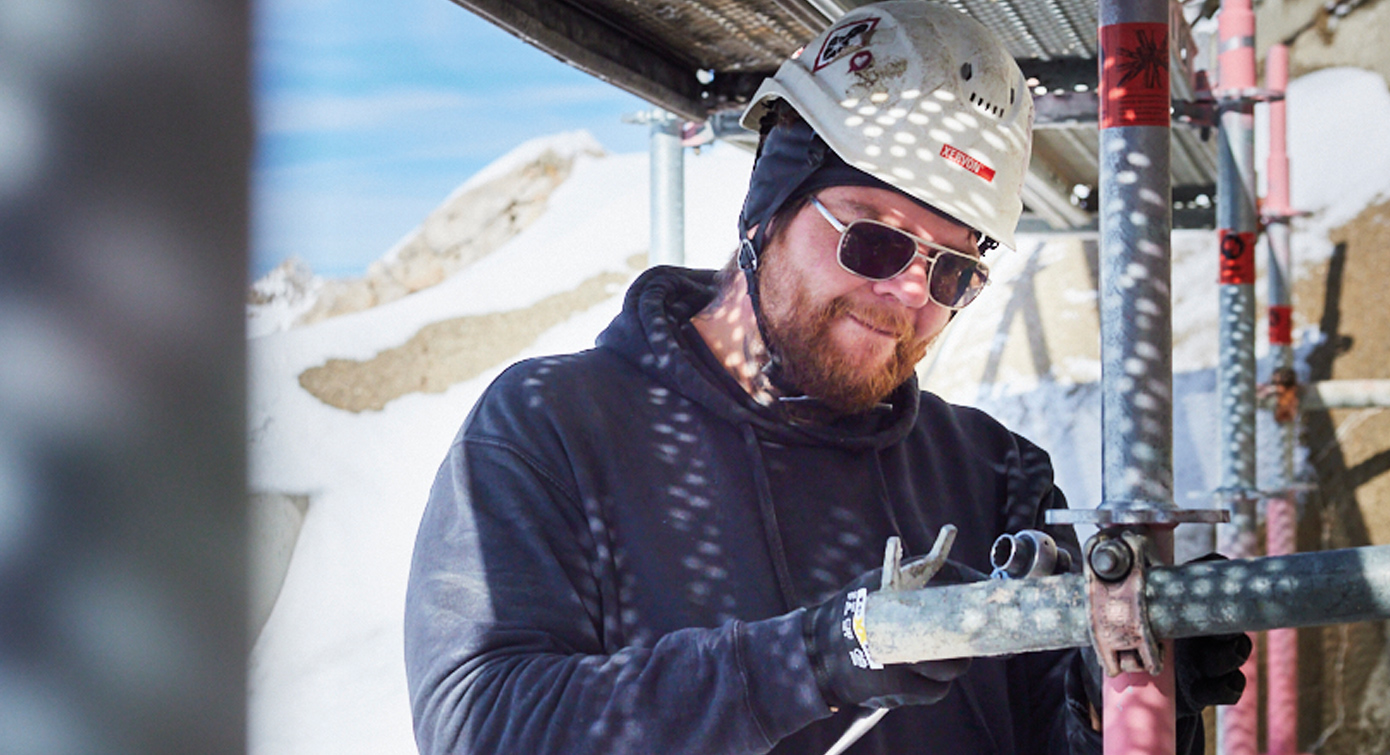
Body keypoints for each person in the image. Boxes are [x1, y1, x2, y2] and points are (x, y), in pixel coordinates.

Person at [403, 3, 1247, 753]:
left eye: (953, 272)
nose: (911, 292)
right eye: (875, 239)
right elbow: (483, 720)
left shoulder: (994, 472)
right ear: (767, 210)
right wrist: (821, 655)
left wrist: (1132, 699)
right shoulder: (555, 424)